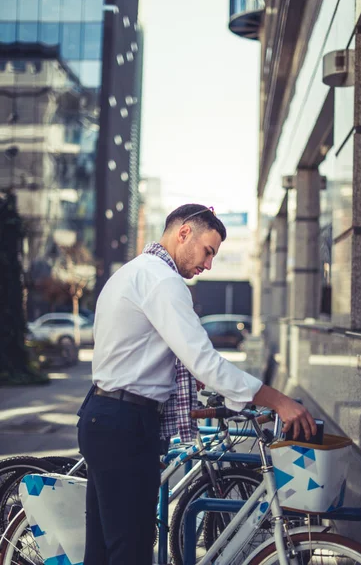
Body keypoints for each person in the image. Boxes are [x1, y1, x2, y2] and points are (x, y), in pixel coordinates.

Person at [77, 203, 316, 565]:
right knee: (132, 549)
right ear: (184, 232)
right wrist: (279, 400)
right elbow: (205, 362)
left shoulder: (134, 271)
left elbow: (171, 359)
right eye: (208, 251)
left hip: (105, 416)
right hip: (123, 424)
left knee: (105, 550)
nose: (208, 265)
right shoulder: (162, 280)